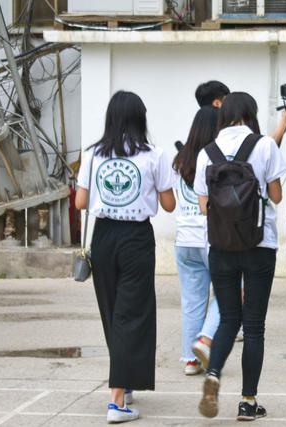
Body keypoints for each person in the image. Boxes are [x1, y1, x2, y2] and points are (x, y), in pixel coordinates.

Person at [75, 91, 176, 423]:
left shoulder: (92, 154)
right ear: (140, 119)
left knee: (113, 311)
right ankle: (116, 401)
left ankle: (126, 381)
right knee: (133, 313)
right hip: (135, 238)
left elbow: (80, 203)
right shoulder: (154, 155)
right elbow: (169, 204)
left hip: (103, 236)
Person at [194, 92, 286, 421]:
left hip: (220, 247)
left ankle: (213, 374)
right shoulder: (264, 146)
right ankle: (248, 401)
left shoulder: (207, 153)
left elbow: (204, 206)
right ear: (250, 114)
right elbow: (276, 195)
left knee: (228, 318)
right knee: (255, 326)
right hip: (259, 245)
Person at [172, 107, 221, 376]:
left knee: (192, 300)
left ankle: (191, 359)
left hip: (184, 239)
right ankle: (205, 339)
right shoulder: (215, 159)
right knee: (230, 293)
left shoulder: (180, 160)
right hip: (211, 237)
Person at [195, 79, 286, 145]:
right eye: (228, 100)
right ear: (217, 103)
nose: (231, 104)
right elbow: (262, 151)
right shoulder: (226, 129)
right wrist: (284, 123)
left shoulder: (198, 132)